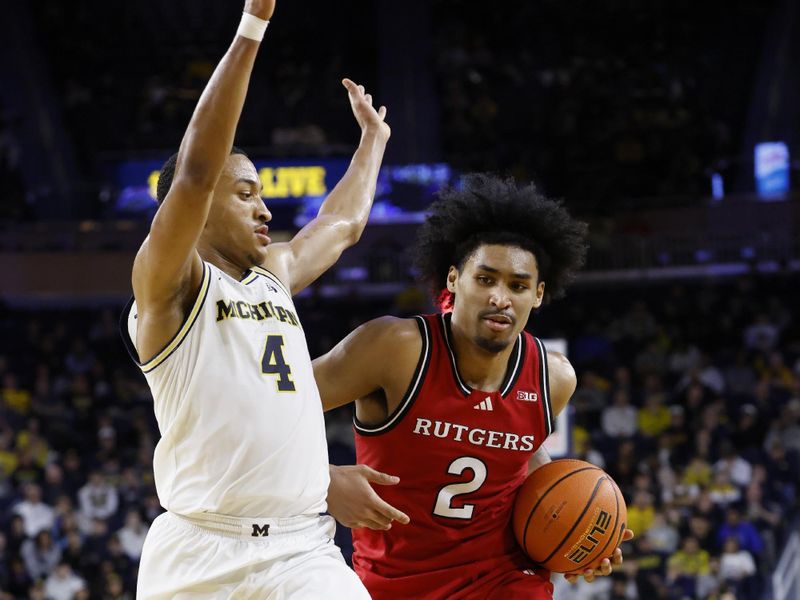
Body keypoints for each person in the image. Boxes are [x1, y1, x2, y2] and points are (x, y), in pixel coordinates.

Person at [118, 0, 390, 596]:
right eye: (244, 194)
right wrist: (252, 26)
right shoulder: (169, 284)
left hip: (301, 550)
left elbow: (341, 224)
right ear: (199, 206)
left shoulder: (274, 272)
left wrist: (374, 140)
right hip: (199, 553)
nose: (265, 209)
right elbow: (193, 172)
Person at [314, 174, 633, 599]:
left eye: (518, 286)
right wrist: (322, 480)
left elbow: (516, 450)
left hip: (503, 579)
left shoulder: (554, 377)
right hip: (391, 585)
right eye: (486, 279)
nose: (501, 297)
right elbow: (268, 406)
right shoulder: (394, 348)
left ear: (538, 295)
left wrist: (581, 532)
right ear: (452, 280)